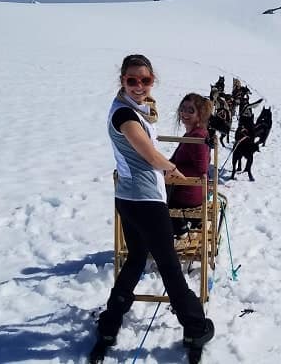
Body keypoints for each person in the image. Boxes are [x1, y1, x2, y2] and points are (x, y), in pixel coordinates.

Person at [91, 54, 213, 363]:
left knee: (134, 260)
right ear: (122, 81)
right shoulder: (125, 117)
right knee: (170, 267)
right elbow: (148, 154)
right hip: (145, 200)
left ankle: (109, 324)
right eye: (132, 80)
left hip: (130, 199)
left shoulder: (133, 109)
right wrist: (172, 169)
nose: (139, 86)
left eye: (145, 80)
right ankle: (196, 327)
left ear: (152, 80)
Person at [167, 93, 213, 236]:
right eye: (183, 109)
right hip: (187, 191)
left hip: (187, 195)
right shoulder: (192, 134)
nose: (185, 113)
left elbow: (201, 170)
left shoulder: (198, 137)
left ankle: (178, 227)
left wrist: (171, 169)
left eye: (190, 110)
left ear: (200, 115)